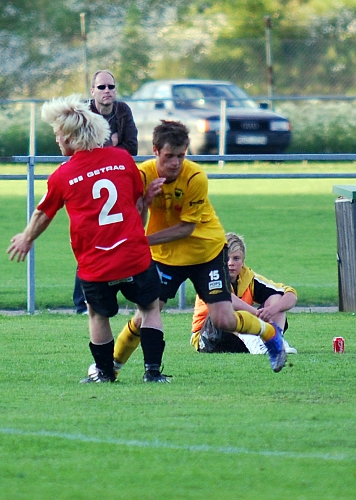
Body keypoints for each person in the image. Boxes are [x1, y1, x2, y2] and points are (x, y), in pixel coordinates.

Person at [7, 94, 170, 383]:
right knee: (149, 307)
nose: (57, 141)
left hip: (97, 262)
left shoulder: (63, 175)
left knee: (97, 314)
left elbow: (44, 213)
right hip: (133, 253)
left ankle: (105, 375)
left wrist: (26, 238)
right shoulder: (122, 159)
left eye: (58, 135)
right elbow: (137, 204)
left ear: (70, 138)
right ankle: (153, 373)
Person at [112, 120, 288, 373]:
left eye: (181, 156)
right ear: (155, 150)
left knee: (223, 320)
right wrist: (144, 200)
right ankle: (111, 368)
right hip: (166, 257)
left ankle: (270, 333)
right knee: (145, 317)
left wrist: (143, 241)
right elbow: (135, 225)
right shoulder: (141, 175)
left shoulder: (194, 176)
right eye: (169, 156)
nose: (175, 162)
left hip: (206, 253)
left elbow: (186, 228)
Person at [72, 69, 139, 314]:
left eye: (110, 86)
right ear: (92, 91)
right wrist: (111, 146)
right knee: (89, 241)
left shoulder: (123, 111)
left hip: (116, 182)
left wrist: (105, 148)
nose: (107, 91)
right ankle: (82, 304)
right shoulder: (84, 113)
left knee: (120, 239)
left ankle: (124, 297)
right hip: (88, 182)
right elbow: (78, 148)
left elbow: (130, 147)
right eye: (101, 87)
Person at [191, 232, 299, 355]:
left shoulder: (249, 278)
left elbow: (290, 294)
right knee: (225, 307)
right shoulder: (210, 276)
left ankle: (275, 340)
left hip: (239, 335)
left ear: (243, 261)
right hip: (210, 338)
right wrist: (255, 314)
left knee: (276, 297)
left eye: (236, 258)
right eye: (226, 258)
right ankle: (255, 342)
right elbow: (226, 298)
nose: (231, 263)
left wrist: (273, 309)